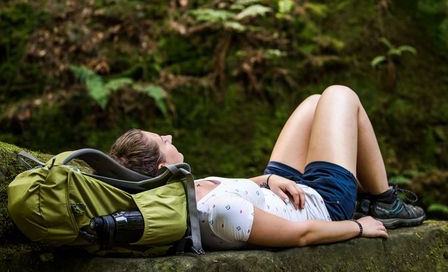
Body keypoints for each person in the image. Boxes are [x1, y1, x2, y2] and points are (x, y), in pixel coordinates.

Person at [109, 85, 425, 250]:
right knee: (341, 95)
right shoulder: (219, 210)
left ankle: (373, 194)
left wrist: (269, 178)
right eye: (163, 141)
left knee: (315, 102)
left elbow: (235, 189)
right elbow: (301, 235)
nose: (169, 136)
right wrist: (359, 227)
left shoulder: (183, 190)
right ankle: (384, 202)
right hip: (322, 205)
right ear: (162, 165)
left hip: (282, 191)